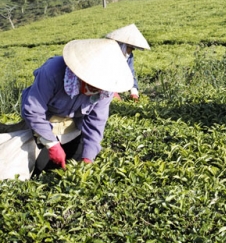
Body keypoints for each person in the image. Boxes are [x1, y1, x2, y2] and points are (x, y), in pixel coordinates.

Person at [21, 38, 133, 170]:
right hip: (44, 121)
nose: (96, 89)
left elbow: (96, 122)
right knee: (43, 166)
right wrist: (52, 144)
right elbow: (33, 110)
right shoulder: (53, 71)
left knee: (76, 159)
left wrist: (88, 157)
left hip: (74, 125)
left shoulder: (106, 89)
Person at [105, 24, 151, 101]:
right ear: (122, 45)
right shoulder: (107, 54)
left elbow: (130, 74)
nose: (132, 50)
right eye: (130, 48)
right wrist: (112, 93)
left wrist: (134, 93)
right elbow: (103, 76)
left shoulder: (129, 56)